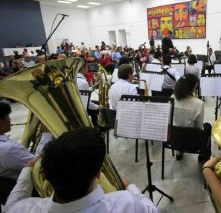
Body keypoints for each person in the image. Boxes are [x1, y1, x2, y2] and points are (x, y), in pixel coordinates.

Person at [4, 129, 159, 213]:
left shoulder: (24, 208)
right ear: (98, 173)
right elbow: (153, 211)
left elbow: (12, 206)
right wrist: (131, 188)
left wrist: (28, 169)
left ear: (45, 174)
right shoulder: (124, 203)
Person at [0, 102, 52, 181]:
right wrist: (46, 133)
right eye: (7, 116)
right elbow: (39, 165)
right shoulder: (8, 149)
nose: (9, 119)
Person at [173, 74, 210, 161]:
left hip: (175, 138)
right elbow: (199, 127)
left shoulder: (172, 98)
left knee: (179, 127)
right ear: (194, 87)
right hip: (192, 140)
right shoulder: (198, 103)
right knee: (207, 126)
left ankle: (179, 151)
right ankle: (202, 154)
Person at [76, 59, 99, 126]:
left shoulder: (76, 78)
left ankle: (95, 123)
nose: (88, 68)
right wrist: (98, 107)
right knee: (100, 107)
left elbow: (81, 93)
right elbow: (85, 103)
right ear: (83, 67)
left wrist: (92, 88)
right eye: (87, 66)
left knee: (96, 102)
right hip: (81, 108)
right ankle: (98, 127)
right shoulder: (83, 82)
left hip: (78, 105)